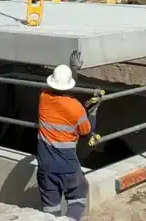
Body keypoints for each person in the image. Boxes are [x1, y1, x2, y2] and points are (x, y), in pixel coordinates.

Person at [36, 62, 98, 221]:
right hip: (68, 166)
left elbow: (61, 90)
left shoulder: (44, 98)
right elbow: (86, 132)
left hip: (45, 166)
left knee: (50, 207)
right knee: (79, 194)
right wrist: (92, 112)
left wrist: (73, 69)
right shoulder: (76, 108)